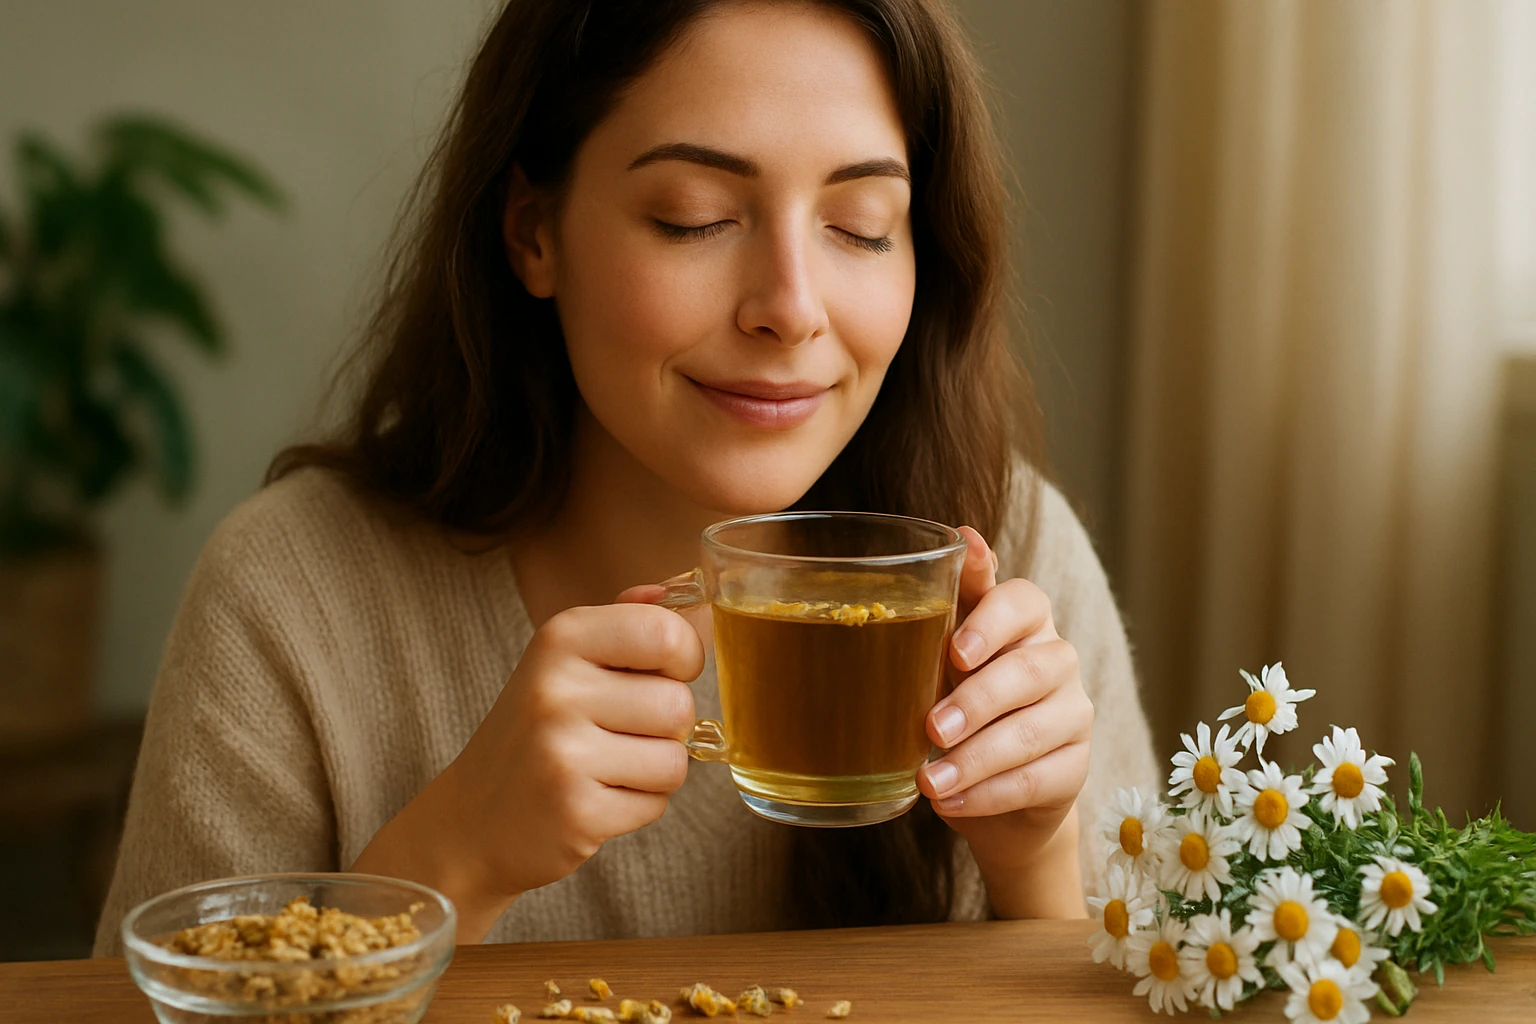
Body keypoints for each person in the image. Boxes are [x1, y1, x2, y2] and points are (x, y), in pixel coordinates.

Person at [93, 0, 1157, 954]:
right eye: (694, 216)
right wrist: (453, 856)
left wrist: (1034, 866)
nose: (790, 306)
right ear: (532, 232)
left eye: (860, 227)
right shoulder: (294, 597)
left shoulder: (1006, 556)